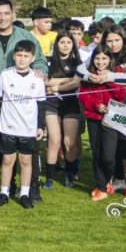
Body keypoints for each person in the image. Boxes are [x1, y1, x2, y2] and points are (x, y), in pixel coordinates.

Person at [0, 0, 48, 189]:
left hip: (25, 101)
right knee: (3, 142)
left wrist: (41, 70)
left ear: (13, 14)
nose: (2, 18)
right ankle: (10, 185)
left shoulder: (26, 36)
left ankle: (32, 186)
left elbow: (39, 60)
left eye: (6, 13)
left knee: (28, 145)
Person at [0, 40, 47, 209]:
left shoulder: (37, 79)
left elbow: (41, 105)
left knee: (26, 161)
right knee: (7, 161)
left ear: (32, 58)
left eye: (26, 56)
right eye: (19, 55)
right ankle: (4, 192)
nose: (22, 59)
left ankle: (24, 194)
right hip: (8, 126)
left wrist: (40, 126)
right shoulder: (5, 75)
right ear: (14, 56)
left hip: (28, 128)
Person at [78, 45, 126, 201]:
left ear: (110, 59)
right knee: (97, 152)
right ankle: (101, 185)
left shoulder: (118, 72)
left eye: (104, 58)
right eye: (97, 58)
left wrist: (109, 79)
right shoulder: (88, 74)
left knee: (108, 155)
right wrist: (96, 106)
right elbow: (83, 95)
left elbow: (122, 94)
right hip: (94, 117)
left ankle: (109, 178)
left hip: (112, 119)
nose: (100, 62)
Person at [43, 33, 83, 189]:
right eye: (62, 42)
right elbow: (46, 81)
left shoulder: (78, 63)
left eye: (69, 42)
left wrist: (57, 86)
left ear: (73, 44)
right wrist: (68, 80)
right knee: (54, 140)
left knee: (70, 142)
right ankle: (49, 177)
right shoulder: (47, 60)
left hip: (71, 104)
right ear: (56, 44)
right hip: (51, 104)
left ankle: (69, 174)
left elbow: (77, 83)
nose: (65, 45)